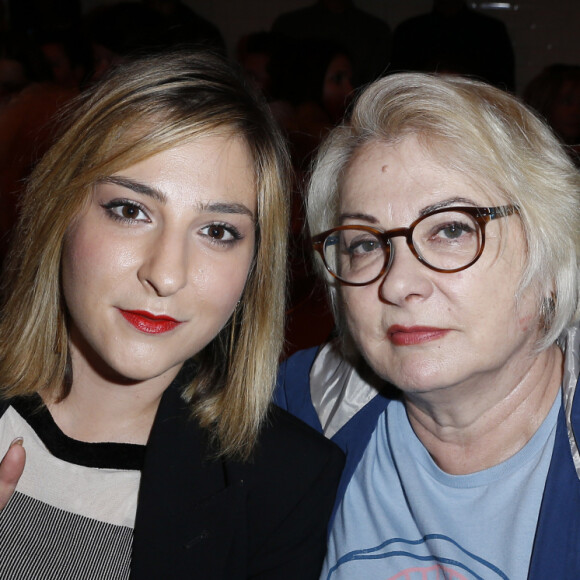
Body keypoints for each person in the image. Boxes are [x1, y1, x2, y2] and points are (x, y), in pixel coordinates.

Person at [0, 49, 344, 579]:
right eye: (130, 210)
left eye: (217, 231)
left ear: (255, 265)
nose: (166, 274)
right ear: (58, 210)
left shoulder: (286, 485)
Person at [276, 71, 580, 579]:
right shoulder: (294, 411)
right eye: (366, 244)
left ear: (551, 260)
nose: (398, 284)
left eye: (451, 229)